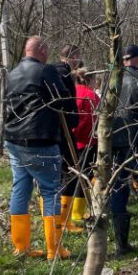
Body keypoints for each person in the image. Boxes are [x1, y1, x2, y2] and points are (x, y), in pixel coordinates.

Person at [4, 36, 77, 260]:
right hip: (40, 140)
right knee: (50, 190)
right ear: (43, 51)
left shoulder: (12, 73)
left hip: (14, 140)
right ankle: (54, 249)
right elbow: (63, 102)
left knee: (20, 189)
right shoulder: (46, 72)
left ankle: (21, 247)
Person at [109, 44, 138, 256]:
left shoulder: (113, 80)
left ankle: (120, 244)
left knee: (118, 188)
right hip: (137, 140)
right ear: (136, 59)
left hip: (115, 142)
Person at [52, 45, 83, 233]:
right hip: (63, 130)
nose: (78, 62)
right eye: (77, 58)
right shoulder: (64, 74)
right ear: (72, 57)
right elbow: (70, 103)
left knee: (59, 175)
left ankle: (59, 220)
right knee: (70, 173)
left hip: (53, 130)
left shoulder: (51, 71)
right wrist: (73, 120)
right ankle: (64, 221)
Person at [66, 69, 100, 230]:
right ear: (89, 80)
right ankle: (76, 212)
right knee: (83, 176)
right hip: (85, 142)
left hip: (73, 140)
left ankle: (69, 211)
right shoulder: (90, 95)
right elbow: (87, 120)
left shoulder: (71, 91)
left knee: (71, 176)